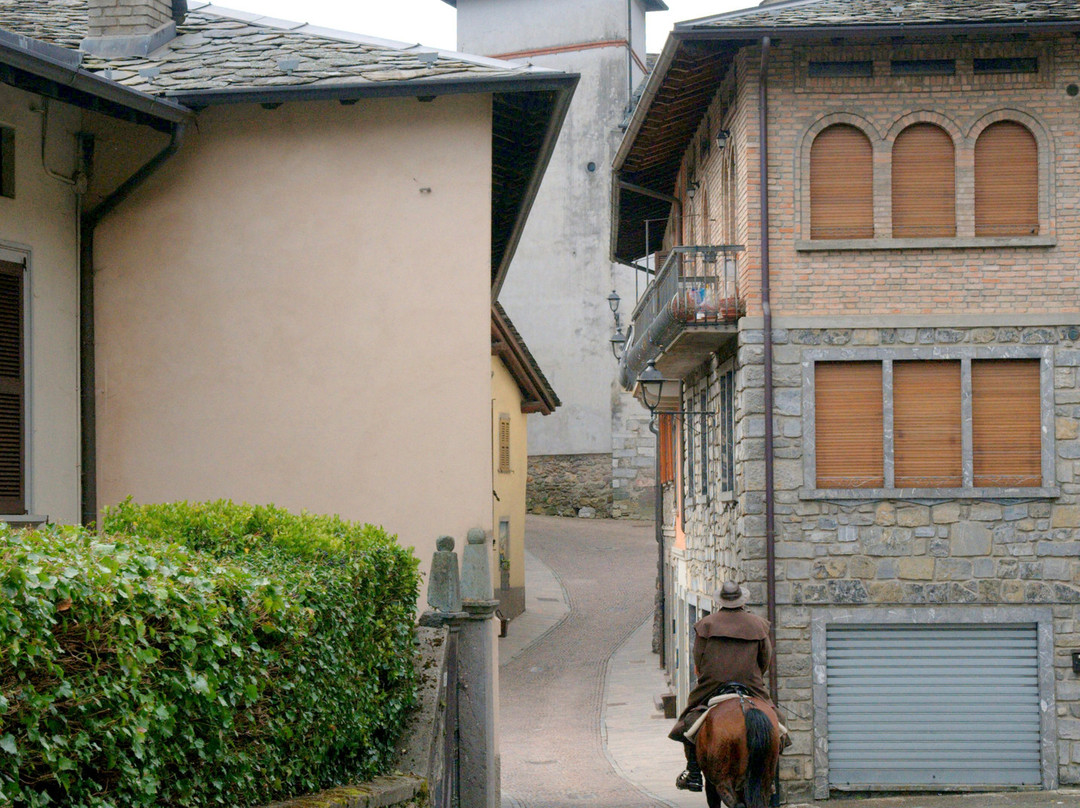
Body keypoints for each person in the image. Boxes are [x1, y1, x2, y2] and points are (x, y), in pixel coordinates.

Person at [669, 581, 787, 792]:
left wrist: (706, 674)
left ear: (720, 600)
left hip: (714, 682)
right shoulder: (759, 625)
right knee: (778, 721)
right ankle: (770, 776)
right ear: (742, 600)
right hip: (750, 682)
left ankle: (693, 772)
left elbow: (699, 659)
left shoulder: (706, 625)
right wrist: (754, 675)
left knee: (688, 720)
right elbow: (765, 659)